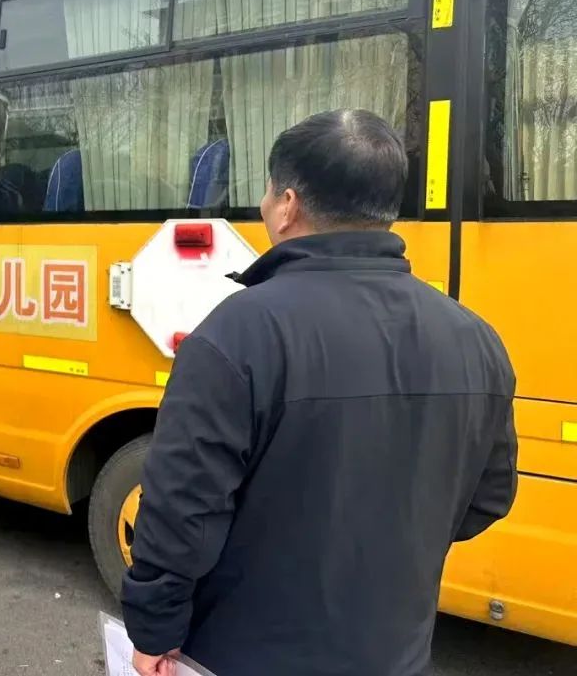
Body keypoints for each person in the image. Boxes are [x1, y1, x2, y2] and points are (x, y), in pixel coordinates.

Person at [122, 110, 517, 676]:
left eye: (264, 190)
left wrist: (154, 630)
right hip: (396, 655)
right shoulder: (476, 340)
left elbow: (181, 507)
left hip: (242, 652)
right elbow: (488, 498)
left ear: (287, 203)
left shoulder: (238, 333)